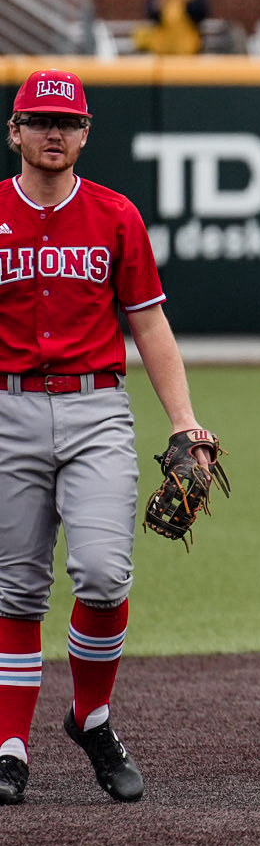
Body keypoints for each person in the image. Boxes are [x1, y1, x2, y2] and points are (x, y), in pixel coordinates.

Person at [0, 69, 220, 804]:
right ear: (16, 131)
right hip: (9, 411)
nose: (52, 133)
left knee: (102, 575)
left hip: (96, 411)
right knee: (16, 590)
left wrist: (184, 420)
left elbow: (149, 323)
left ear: (86, 134)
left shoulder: (115, 215)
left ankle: (91, 715)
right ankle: (10, 749)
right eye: (38, 120)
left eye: (66, 122)